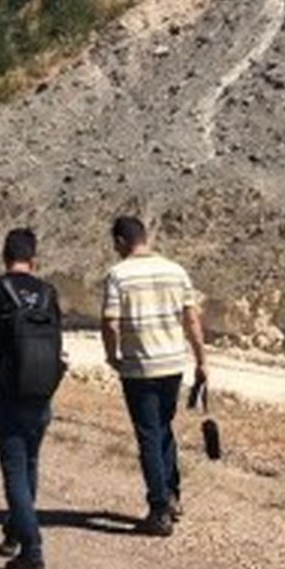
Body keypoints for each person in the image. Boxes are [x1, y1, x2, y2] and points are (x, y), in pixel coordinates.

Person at [99, 215, 207, 537]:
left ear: (120, 242)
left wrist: (112, 355)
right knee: (163, 428)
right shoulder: (176, 270)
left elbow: (109, 322)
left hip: (139, 367)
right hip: (173, 363)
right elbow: (192, 320)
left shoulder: (118, 275)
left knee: (148, 434)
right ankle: (172, 495)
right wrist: (202, 360)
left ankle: (158, 508)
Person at [0, 227, 66, 569]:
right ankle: (14, 532)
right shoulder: (48, 292)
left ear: (4, 256)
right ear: (34, 257)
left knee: (13, 470)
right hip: (43, 391)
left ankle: (33, 549)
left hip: (7, 391)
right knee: (29, 463)